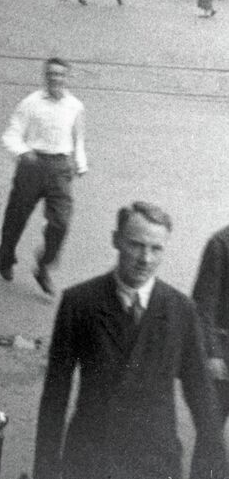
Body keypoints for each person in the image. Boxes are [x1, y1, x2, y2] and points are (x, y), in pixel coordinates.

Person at [34, 202, 227, 479]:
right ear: (116, 241)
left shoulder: (181, 310)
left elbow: (202, 396)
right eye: (136, 245)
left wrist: (213, 469)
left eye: (156, 248)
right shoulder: (80, 303)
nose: (145, 259)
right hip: (90, 461)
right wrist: (46, 471)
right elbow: (55, 397)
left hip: (155, 463)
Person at [0, 57, 86, 295]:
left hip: (60, 168)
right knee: (16, 217)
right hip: (32, 164)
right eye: (51, 74)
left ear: (67, 78)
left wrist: (80, 163)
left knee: (61, 222)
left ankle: (44, 265)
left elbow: (78, 137)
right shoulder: (30, 103)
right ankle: (6, 254)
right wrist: (24, 152)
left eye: (60, 74)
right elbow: (11, 134)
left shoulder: (75, 106)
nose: (55, 78)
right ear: (45, 76)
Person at [193, 223, 229, 423]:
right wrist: (213, 353)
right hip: (223, 359)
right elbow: (203, 307)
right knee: (211, 438)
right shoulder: (221, 244)